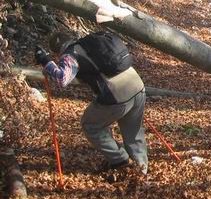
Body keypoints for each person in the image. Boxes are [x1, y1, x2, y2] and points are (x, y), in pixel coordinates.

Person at [35, 30, 148, 177]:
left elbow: (63, 78)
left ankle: (120, 160)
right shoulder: (92, 44)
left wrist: (46, 61)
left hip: (117, 96)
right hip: (138, 86)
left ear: (58, 49)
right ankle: (141, 170)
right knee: (133, 131)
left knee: (90, 124)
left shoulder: (70, 54)